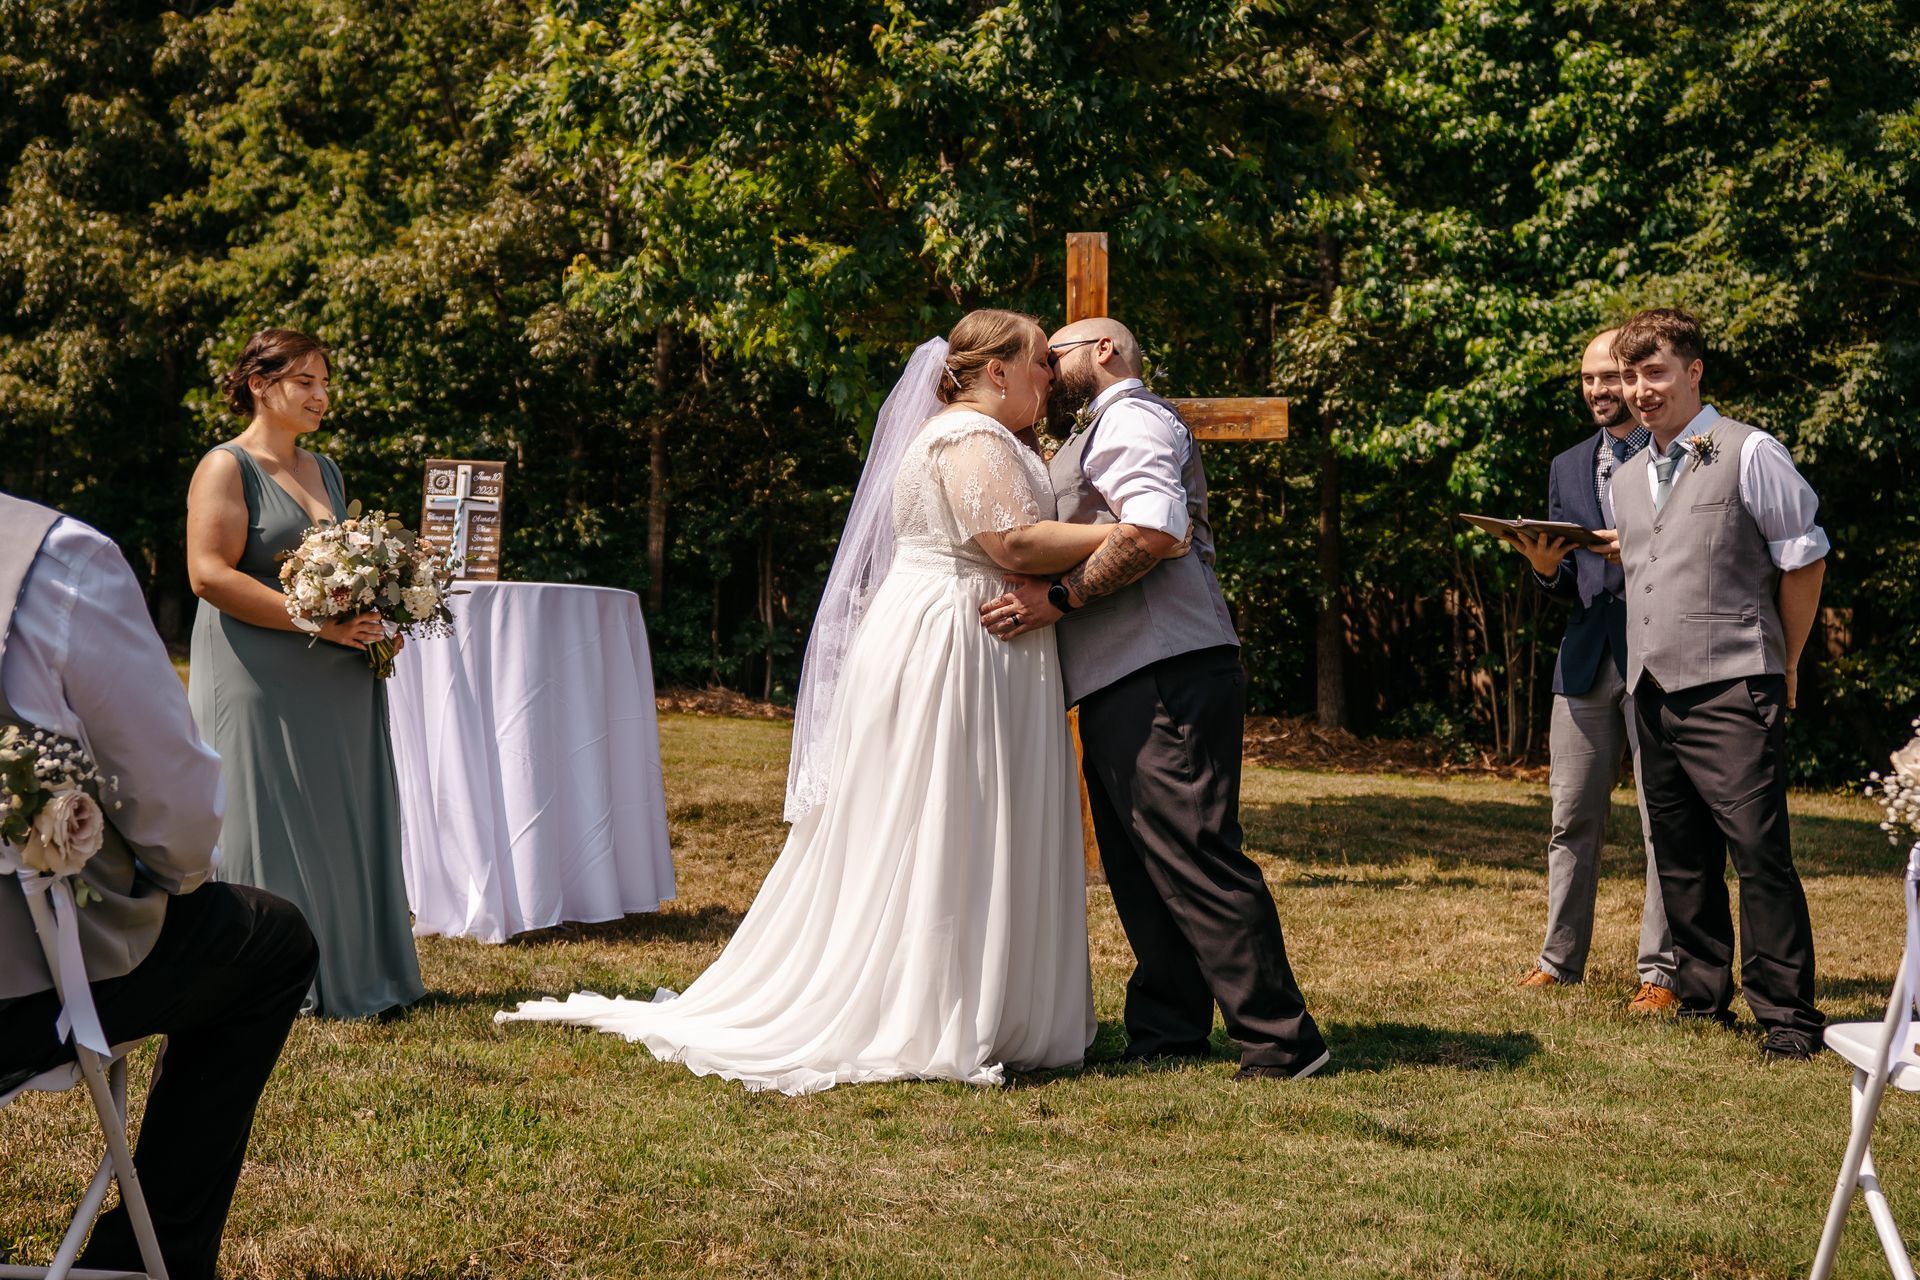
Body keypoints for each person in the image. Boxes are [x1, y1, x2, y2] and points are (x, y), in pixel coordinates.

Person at [499, 310, 1113, 1093]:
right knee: (943, 814)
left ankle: (984, 1002)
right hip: (951, 641)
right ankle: (924, 1006)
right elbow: (1013, 545)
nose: (1045, 382)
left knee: (973, 813)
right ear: (997, 370)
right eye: (1036, 367)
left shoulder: (990, 439)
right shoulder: (969, 438)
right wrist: (1134, 532)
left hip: (979, 638)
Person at [980, 317, 1329, 1081]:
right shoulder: (1094, 430)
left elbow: (1157, 529)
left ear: (1103, 350)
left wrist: (1061, 600)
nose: (1045, 366)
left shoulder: (1132, 418)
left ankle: (1282, 1040)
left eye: (1055, 354)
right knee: (1143, 863)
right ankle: (1167, 1029)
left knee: (1195, 851)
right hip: (1125, 673)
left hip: (1166, 666)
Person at [0, 492, 317, 1280]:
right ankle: (154, 1257)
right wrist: (174, 877)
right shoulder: (55, 560)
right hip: (18, 999)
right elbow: (171, 801)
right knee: (272, 943)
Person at [1606, 307, 1828, 1061]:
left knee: (1759, 854)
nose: (1641, 389)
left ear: (1694, 372)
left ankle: (1789, 1019)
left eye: (1656, 371)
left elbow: (1803, 558)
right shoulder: (1627, 477)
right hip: (1652, 690)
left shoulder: (1752, 451)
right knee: (1680, 855)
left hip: (1736, 683)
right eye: (1631, 375)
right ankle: (1703, 998)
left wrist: (1785, 660)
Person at [185, 328, 423, 1019]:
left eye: (326, 382)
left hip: (338, 675)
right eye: (306, 382)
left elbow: (341, 574)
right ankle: (269, 978)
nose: (322, 395)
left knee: (342, 814)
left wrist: (376, 619)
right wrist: (317, 624)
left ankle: (357, 969)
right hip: (258, 674)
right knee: (273, 814)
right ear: (261, 384)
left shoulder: (325, 467)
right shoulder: (226, 468)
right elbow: (208, 575)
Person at [1505, 328, 1677, 1010]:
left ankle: (1660, 974)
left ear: (1636, 381)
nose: (1600, 390)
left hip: (1660, 657)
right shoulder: (1568, 465)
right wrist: (1545, 569)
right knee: (1570, 816)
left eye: (1611, 377)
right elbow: (1565, 579)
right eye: (1589, 380)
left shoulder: (1676, 457)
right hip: (1582, 662)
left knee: (1662, 820)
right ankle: (1558, 960)